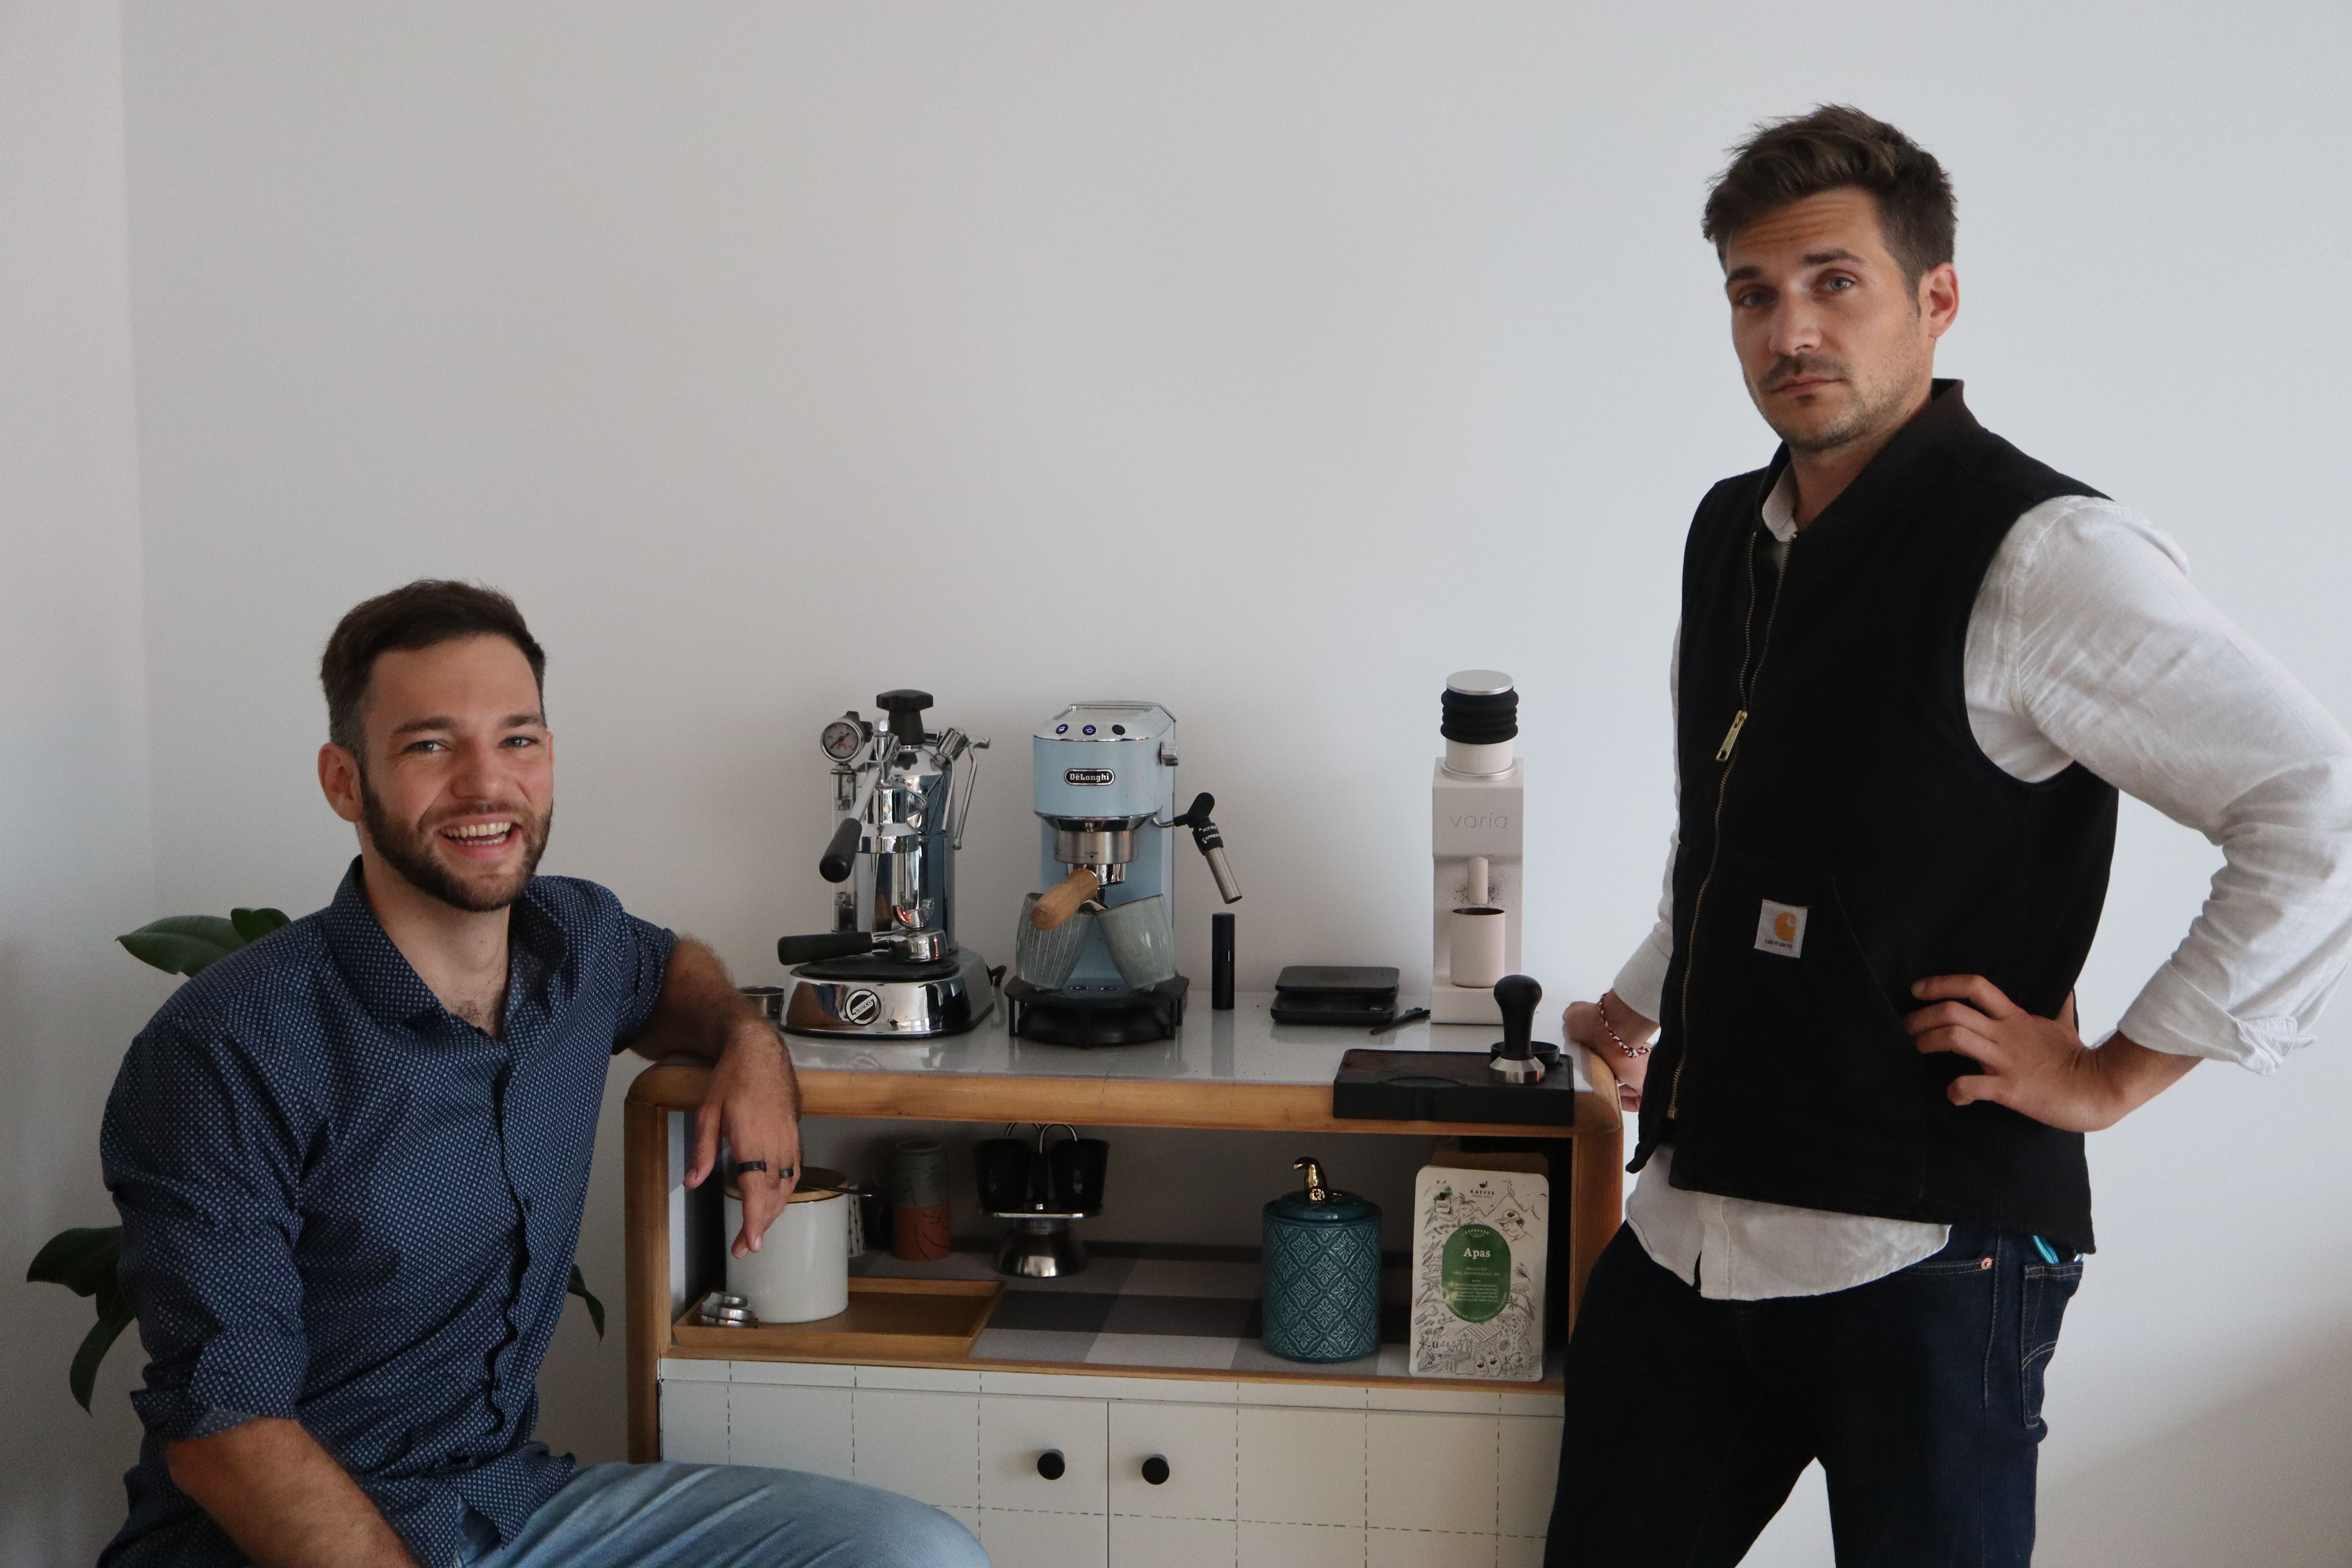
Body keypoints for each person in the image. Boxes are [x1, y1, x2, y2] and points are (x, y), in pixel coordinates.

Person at [1546, 107, 2352, 1566]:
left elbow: (2320, 804)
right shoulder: (1734, 529)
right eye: (1753, 292)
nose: (1790, 327)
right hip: (1689, 1231)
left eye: (1834, 280)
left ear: (1936, 299)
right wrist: (1644, 1001)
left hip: (1924, 1263)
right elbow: (1734, 831)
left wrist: (2113, 1075)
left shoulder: (2046, 552)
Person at [99, 581, 987, 1568]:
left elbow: (674, 975)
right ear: (346, 781)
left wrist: (751, 1043)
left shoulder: (577, 944)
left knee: (916, 1553)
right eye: (431, 745)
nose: (487, 784)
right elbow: (228, 1428)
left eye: (517, 739)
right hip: (285, 1543)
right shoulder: (228, 1048)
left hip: (505, 1507)